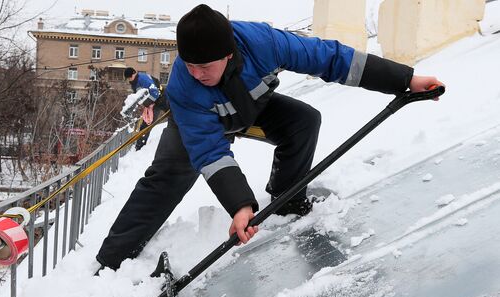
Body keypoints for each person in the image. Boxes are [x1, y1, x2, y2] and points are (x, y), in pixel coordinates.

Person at [96, 4, 444, 271]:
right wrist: (241, 205)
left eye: (205, 67)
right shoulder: (184, 86)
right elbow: (210, 151)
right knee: (169, 176)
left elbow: (333, 58)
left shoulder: (264, 43)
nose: (197, 73)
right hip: (200, 122)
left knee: (303, 122)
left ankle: (287, 200)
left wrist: (405, 80)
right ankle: (112, 261)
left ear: (229, 53)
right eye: (190, 65)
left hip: (250, 110)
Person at [123, 67, 169, 150]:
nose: (129, 80)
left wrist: (147, 104)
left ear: (134, 73)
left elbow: (155, 92)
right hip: (152, 103)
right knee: (146, 125)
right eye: (128, 78)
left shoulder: (142, 79)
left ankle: (181, 133)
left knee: (173, 115)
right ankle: (139, 148)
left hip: (162, 98)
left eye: (130, 77)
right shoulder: (134, 82)